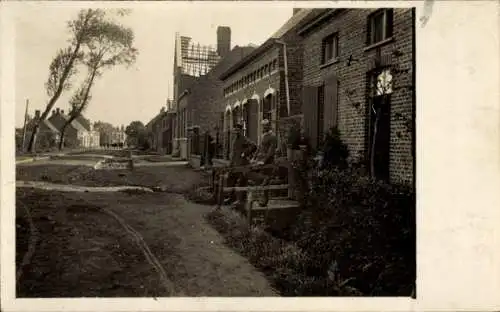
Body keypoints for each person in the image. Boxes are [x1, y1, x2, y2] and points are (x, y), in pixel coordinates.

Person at [247, 119, 278, 207]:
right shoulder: (263, 135)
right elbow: (259, 148)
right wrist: (253, 158)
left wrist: (263, 161)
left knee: (265, 181)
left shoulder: (272, 136)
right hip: (259, 161)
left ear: (269, 126)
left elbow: (271, 151)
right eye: (263, 126)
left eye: (265, 126)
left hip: (268, 161)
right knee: (257, 178)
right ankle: (258, 197)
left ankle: (264, 200)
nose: (264, 128)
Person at [224, 123, 256, 206]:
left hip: (242, 165)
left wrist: (245, 153)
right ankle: (231, 197)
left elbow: (253, 146)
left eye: (238, 130)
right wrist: (230, 164)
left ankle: (240, 200)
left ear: (241, 131)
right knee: (230, 179)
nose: (236, 132)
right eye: (236, 130)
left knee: (241, 182)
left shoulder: (243, 139)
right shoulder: (235, 140)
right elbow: (234, 153)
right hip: (234, 164)